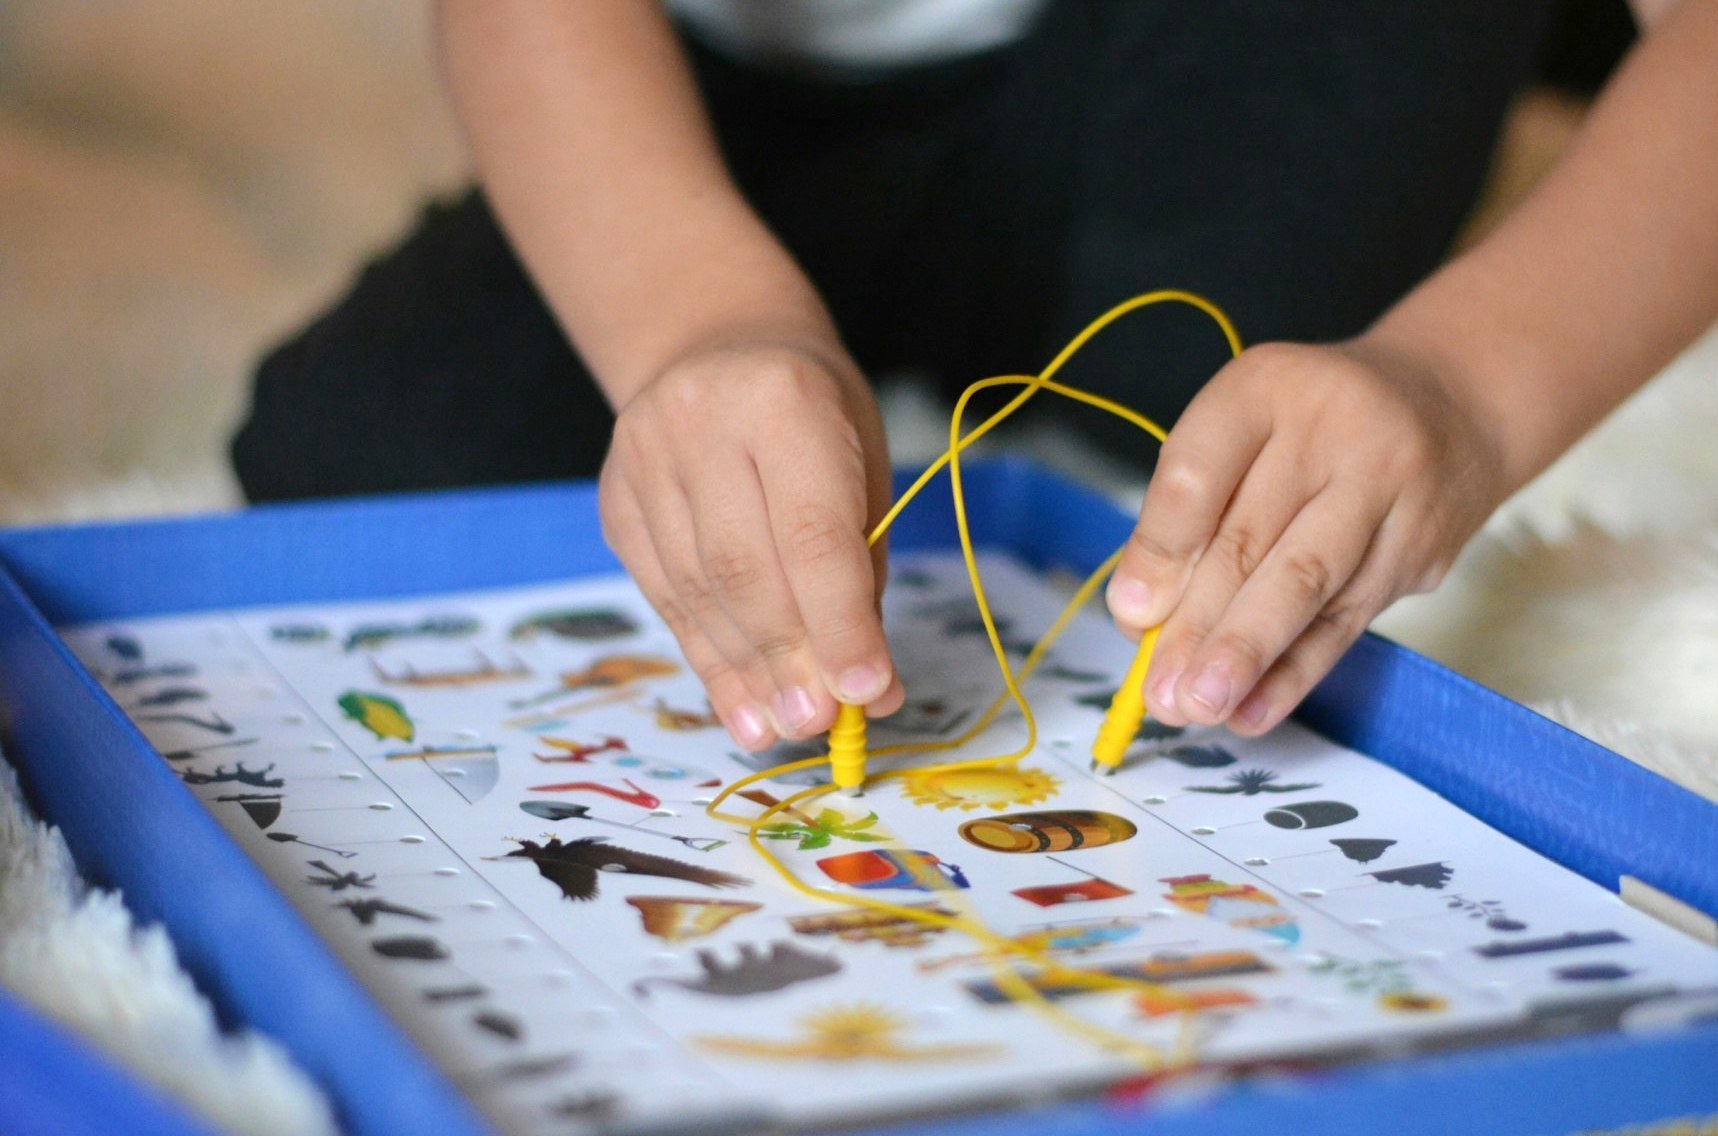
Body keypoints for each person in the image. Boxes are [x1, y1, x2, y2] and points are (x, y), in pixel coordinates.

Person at [233, 1, 1718, 755]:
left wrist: (1461, 383)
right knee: (379, 449)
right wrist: (693, 321)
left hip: (1195, 56)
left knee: (1211, 390)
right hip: (710, 102)